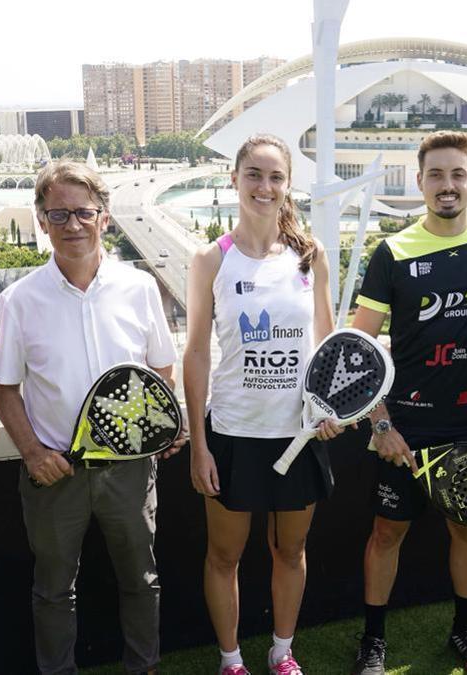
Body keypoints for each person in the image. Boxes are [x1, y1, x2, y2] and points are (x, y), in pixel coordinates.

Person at [0, 160, 184, 675]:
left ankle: (142, 669)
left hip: (130, 470)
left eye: (83, 212)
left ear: (104, 218)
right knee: (53, 590)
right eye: (59, 214)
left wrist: (165, 423)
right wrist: (34, 453)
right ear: (41, 219)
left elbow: (161, 370)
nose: (72, 225)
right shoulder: (19, 300)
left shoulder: (140, 288)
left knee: (141, 581)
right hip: (55, 472)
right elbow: (5, 390)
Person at [349, 130, 467, 675]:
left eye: (457, 174)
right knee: (386, 533)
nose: (447, 185)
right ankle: (373, 640)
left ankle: (466, 630)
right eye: (436, 175)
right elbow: (359, 348)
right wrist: (379, 424)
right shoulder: (392, 252)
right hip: (405, 429)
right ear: (419, 183)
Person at [184, 133, 343, 675]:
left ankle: (282, 652)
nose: (265, 186)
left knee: (289, 552)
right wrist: (199, 444)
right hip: (232, 435)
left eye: (276, 176)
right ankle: (231, 660)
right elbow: (198, 354)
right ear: (234, 179)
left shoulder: (309, 256)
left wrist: (329, 412)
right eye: (254, 174)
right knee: (224, 555)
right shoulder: (210, 260)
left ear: (288, 184)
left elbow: (328, 344)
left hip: (297, 435)